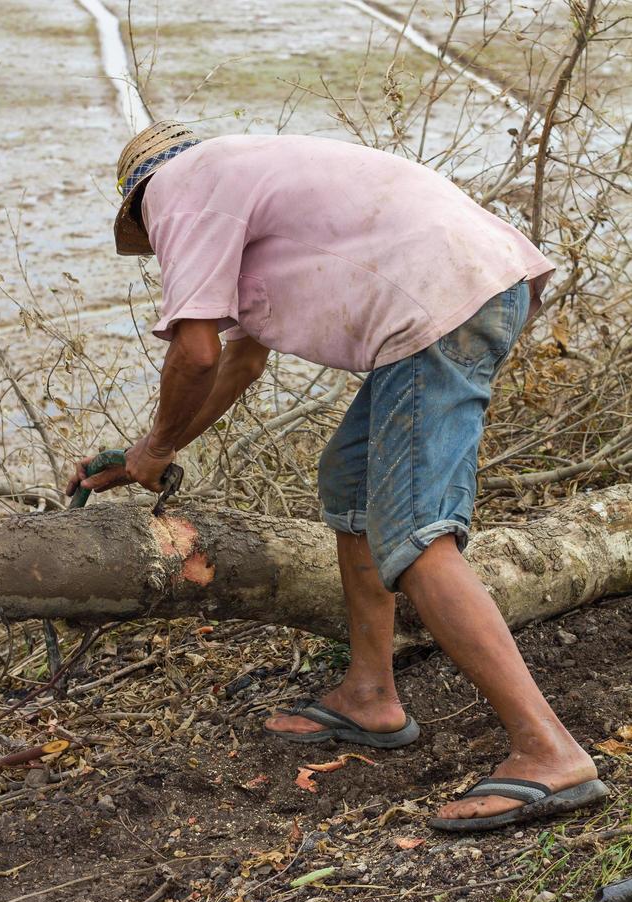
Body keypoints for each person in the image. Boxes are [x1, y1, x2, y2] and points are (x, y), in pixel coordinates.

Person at [68, 121, 607, 831]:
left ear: (139, 203)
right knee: (351, 484)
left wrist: (157, 443)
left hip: (435, 306)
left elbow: (196, 351)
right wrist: (151, 450)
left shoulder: (179, 191)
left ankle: (548, 750)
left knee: (414, 531)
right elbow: (240, 360)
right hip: (472, 286)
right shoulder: (247, 174)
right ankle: (370, 695)